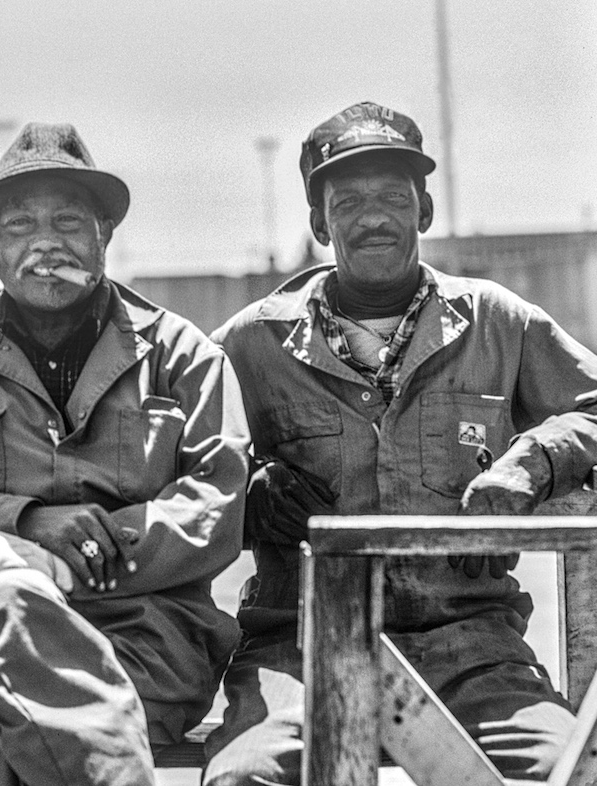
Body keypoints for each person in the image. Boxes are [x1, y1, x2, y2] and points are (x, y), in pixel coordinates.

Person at [203, 101, 595, 784]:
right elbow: (181, 463)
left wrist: (533, 462)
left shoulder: (497, 323)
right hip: (298, 649)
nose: (373, 216)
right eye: (348, 200)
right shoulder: (250, 343)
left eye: (392, 196)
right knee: (245, 777)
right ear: (319, 222)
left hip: (473, 646)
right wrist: (246, 484)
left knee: (561, 768)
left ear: (424, 210)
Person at [0, 122, 250, 786]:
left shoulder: (183, 358)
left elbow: (218, 502)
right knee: (12, 608)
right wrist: (22, 526)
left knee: (27, 731)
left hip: (149, 639)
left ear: (105, 235)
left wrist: (84, 557)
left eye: (68, 222)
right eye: (17, 228)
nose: (44, 243)